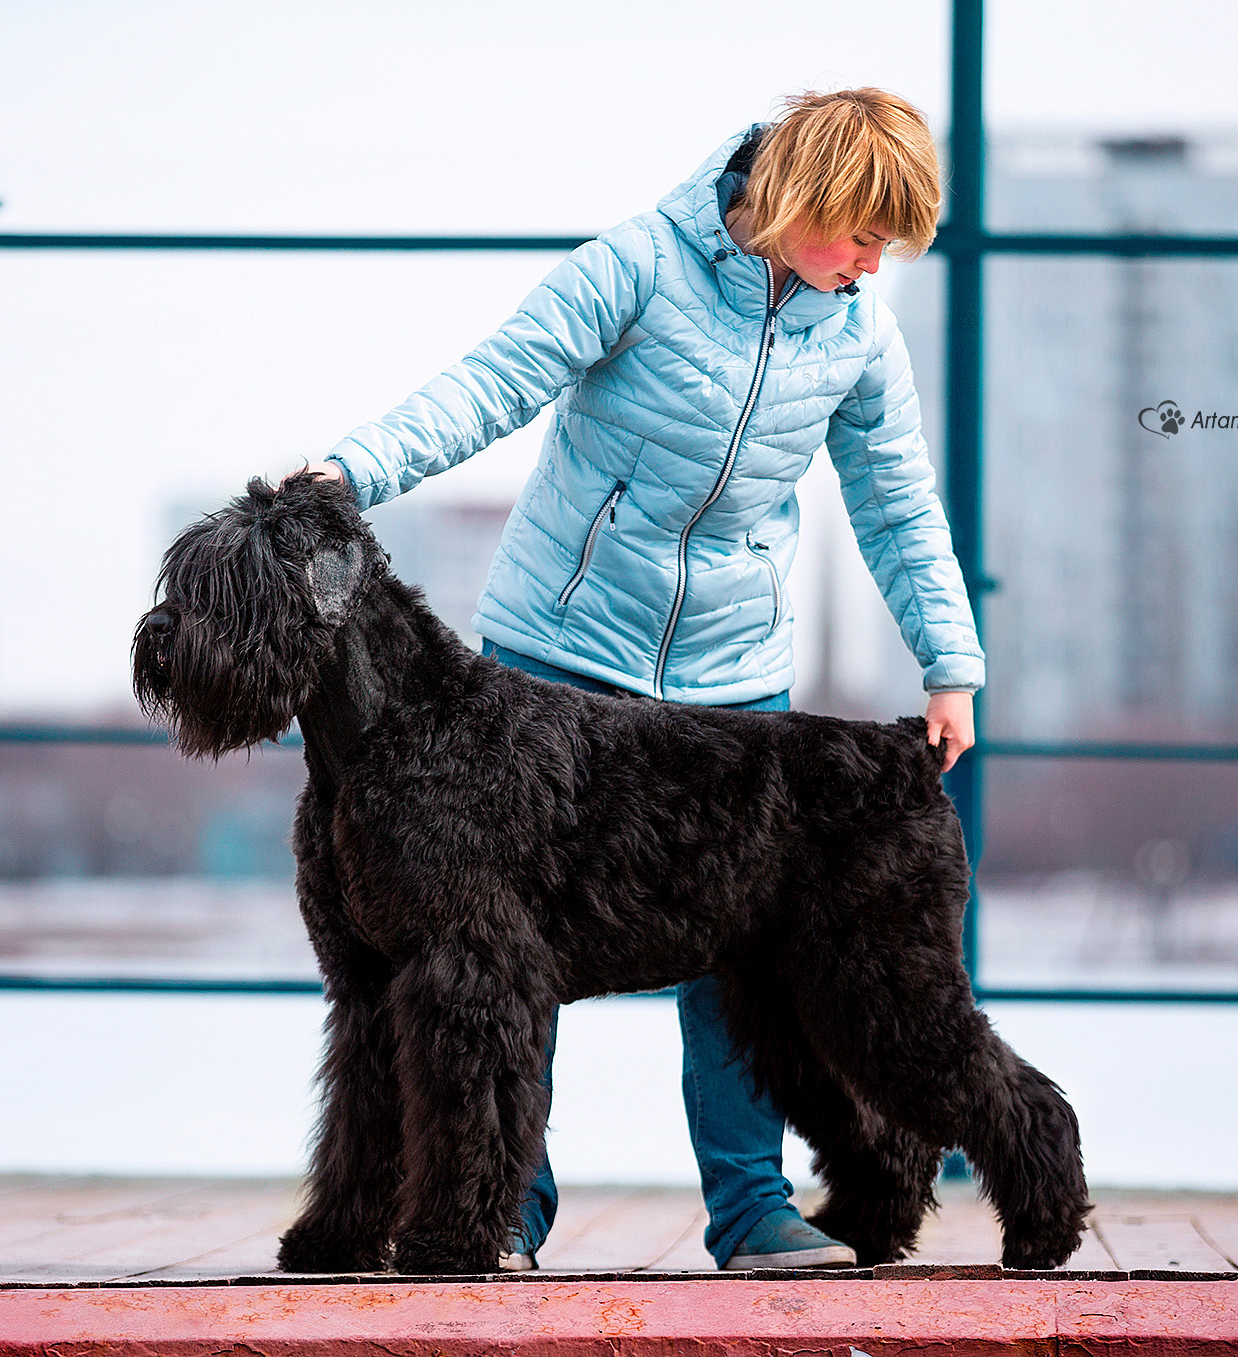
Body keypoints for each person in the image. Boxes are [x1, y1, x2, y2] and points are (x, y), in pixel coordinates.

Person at [287, 88, 984, 1272]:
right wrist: (348, 471)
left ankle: (754, 1210)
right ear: (799, 201)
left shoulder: (856, 328)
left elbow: (895, 498)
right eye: (860, 236)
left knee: (743, 958)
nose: (872, 264)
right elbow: (491, 383)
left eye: (888, 246)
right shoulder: (639, 264)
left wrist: (948, 659)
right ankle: (499, 1208)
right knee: (490, 961)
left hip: (729, 679)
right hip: (555, 651)